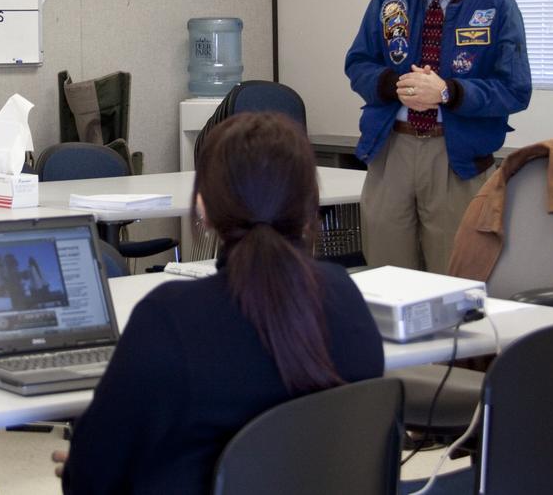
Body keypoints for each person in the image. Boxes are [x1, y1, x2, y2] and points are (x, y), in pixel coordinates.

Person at [56, 112, 384, 495]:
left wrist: (80, 465)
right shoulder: (344, 296)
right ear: (311, 206)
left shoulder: (170, 317)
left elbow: (90, 480)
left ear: (203, 208)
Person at [346, 0, 531, 273]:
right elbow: (358, 62)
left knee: (454, 276)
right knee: (386, 272)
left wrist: (447, 92)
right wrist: (393, 85)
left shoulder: (496, 5)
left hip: (455, 158)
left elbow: (515, 89)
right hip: (392, 149)